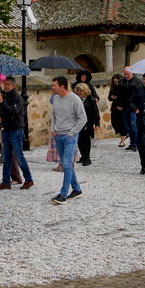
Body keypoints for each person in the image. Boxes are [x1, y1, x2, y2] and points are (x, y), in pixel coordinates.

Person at [48, 76, 86, 204]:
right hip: (58, 135)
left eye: (54, 85)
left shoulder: (74, 99)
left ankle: (63, 194)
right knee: (66, 164)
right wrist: (53, 128)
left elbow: (83, 118)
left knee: (66, 163)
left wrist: (72, 133)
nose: (52, 87)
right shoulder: (56, 99)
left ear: (62, 86)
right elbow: (54, 115)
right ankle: (77, 189)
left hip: (70, 136)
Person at [0, 76, 32, 190]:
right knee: (6, 157)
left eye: (8, 84)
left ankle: (29, 179)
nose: (6, 86)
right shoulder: (4, 95)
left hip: (16, 131)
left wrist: (2, 102)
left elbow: (13, 111)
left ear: (13, 85)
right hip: (6, 130)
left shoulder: (17, 98)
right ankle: (5, 181)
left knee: (19, 156)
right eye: (5, 84)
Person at [73, 82, 99, 166]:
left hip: (88, 123)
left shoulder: (91, 99)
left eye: (81, 91)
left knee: (86, 141)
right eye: (78, 91)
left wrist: (97, 123)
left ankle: (87, 157)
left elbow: (95, 111)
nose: (79, 93)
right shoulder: (76, 99)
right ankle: (83, 156)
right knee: (79, 141)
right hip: (78, 123)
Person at [119, 67, 143, 151]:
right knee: (127, 126)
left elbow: (140, 95)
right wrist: (119, 104)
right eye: (125, 74)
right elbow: (119, 94)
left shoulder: (138, 82)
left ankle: (136, 143)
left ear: (132, 73)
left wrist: (138, 107)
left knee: (133, 125)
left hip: (134, 107)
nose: (126, 76)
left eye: (127, 74)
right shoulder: (121, 81)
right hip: (125, 106)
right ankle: (132, 143)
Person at [108, 74, 128, 147]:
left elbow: (126, 97)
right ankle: (125, 135)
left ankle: (122, 141)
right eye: (115, 81)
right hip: (114, 108)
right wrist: (112, 97)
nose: (116, 83)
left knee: (122, 124)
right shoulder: (113, 88)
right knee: (114, 123)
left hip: (122, 107)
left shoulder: (124, 87)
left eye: (117, 81)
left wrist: (122, 106)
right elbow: (109, 97)